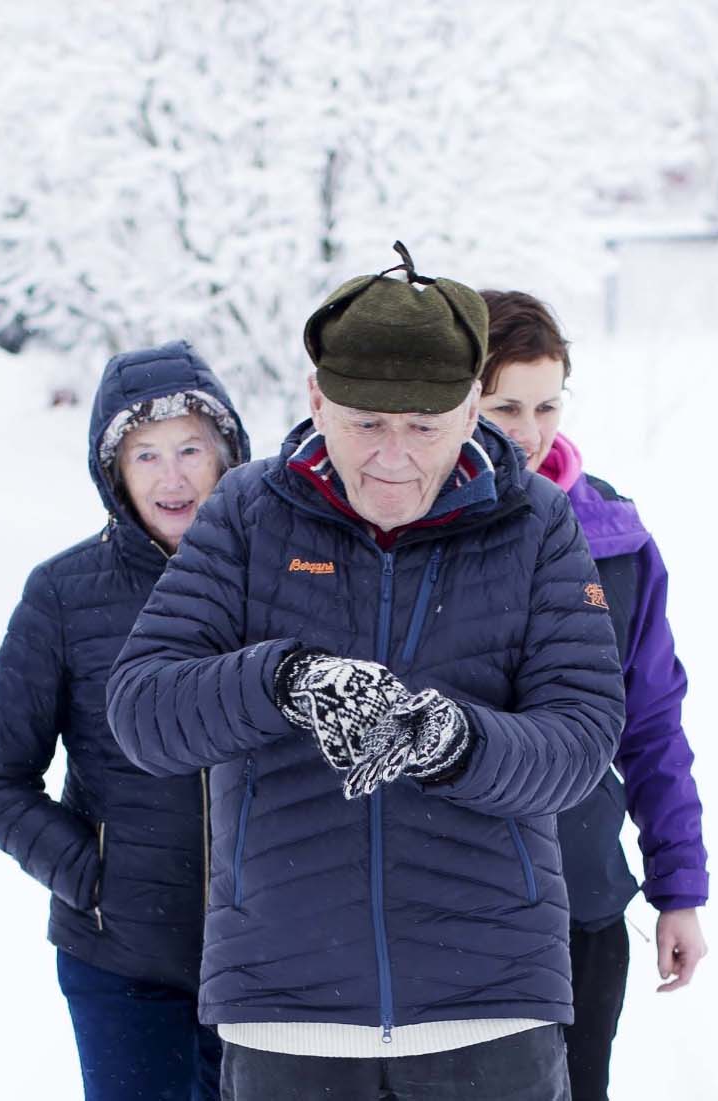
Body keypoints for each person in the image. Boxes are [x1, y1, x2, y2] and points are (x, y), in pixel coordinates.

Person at [106, 245, 626, 1101]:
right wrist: (284, 681)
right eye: (363, 424)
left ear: (469, 410)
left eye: (422, 426)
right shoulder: (246, 513)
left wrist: (455, 739)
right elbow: (142, 710)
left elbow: (579, 737)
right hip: (287, 1003)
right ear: (316, 399)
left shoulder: (535, 523)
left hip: (488, 1004)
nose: (392, 457)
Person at [0, 341, 251, 1101]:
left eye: (191, 447)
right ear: (113, 471)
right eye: (145, 454)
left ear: (227, 455)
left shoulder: (278, 577)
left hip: (271, 965)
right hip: (122, 964)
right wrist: (93, 875)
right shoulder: (64, 593)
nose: (173, 475)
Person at [477, 290, 709, 1101]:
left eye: (545, 404)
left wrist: (677, 887)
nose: (528, 430)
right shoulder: (413, 532)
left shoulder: (614, 539)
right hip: (455, 917)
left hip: (582, 901)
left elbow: (650, 725)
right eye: (504, 404)